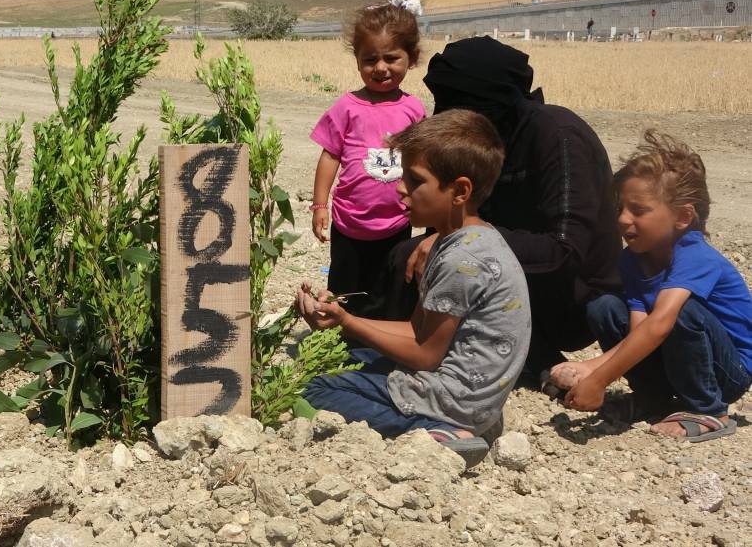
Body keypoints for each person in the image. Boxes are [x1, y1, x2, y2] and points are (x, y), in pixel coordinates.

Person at [295, 110, 531, 467]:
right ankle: (460, 420)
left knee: (311, 388)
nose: (400, 187)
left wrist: (347, 321)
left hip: (455, 398)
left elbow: (425, 356)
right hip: (470, 392)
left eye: (415, 180)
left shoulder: (460, 260)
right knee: (338, 360)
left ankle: (436, 429)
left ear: (460, 191)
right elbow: (417, 331)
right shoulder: (460, 241)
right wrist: (343, 317)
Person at [382, 36, 621, 379]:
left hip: (574, 297)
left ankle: (529, 359)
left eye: (454, 104)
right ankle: (397, 353)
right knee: (408, 254)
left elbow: (564, 251)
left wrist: (464, 244)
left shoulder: (557, 134)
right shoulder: (487, 139)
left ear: (488, 102)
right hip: (507, 278)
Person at [549, 132, 752, 440]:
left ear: (683, 216)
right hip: (676, 357)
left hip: (727, 372)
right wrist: (589, 368)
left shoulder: (694, 255)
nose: (622, 219)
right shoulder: (632, 260)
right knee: (604, 308)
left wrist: (601, 380)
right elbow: (639, 330)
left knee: (680, 311)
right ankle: (653, 397)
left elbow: (659, 325)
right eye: (620, 208)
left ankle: (709, 409)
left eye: (638, 210)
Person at [309, 0, 427, 318]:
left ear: (411, 58)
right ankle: (339, 342)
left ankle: (377, 342)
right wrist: (320, 205)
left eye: (392, 58)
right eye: (369, 59)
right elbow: (330, 155)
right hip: (350, 223)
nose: (380, 68)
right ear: (357, 61)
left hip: (396, 221)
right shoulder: (346, 107)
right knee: (345, 289)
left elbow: (421, 161)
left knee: (388, 287)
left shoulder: (414, 109)